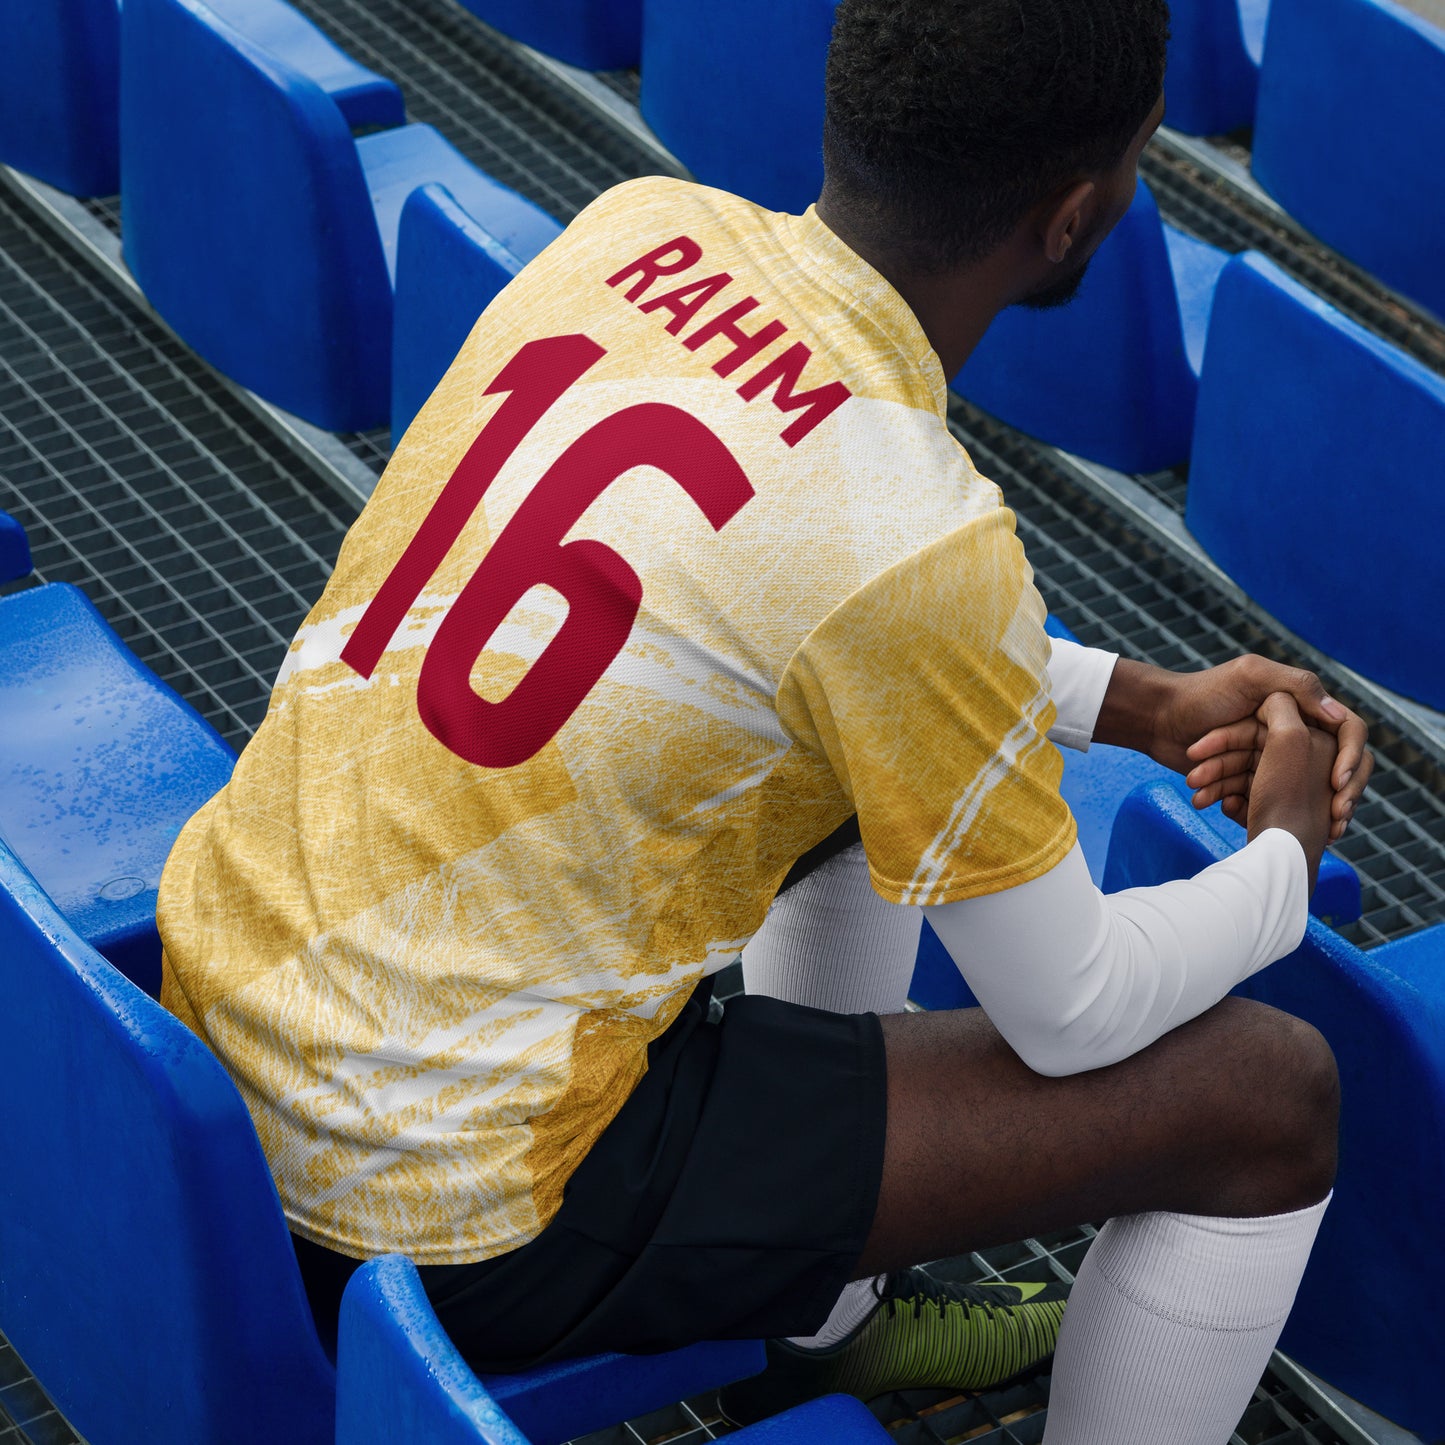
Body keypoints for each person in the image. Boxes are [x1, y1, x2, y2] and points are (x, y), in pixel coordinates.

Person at [156, 0, 1373, 1439]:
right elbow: (1072, 1010)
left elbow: (776, 618)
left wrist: (1135, 701)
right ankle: (819, 1318)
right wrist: (1281, 861)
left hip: (222, 1047)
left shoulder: (637, 228)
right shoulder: (916, 532)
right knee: (1265, 1097)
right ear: (1071, 219)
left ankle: (826, 1335)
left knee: (864, 772)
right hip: (447, 1201)